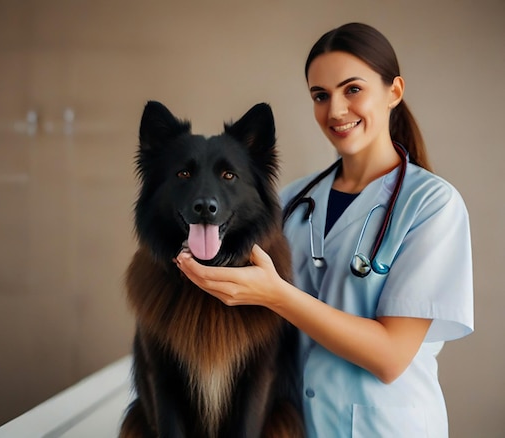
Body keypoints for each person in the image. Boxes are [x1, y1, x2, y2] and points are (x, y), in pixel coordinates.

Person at [175, 22, 473, 437]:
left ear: (394, 92)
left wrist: (277, 296)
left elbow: (390, 356)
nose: (335, 110)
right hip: (299, 426)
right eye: (321, 95)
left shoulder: (430, 205)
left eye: (352, 89)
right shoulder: (293, 200)